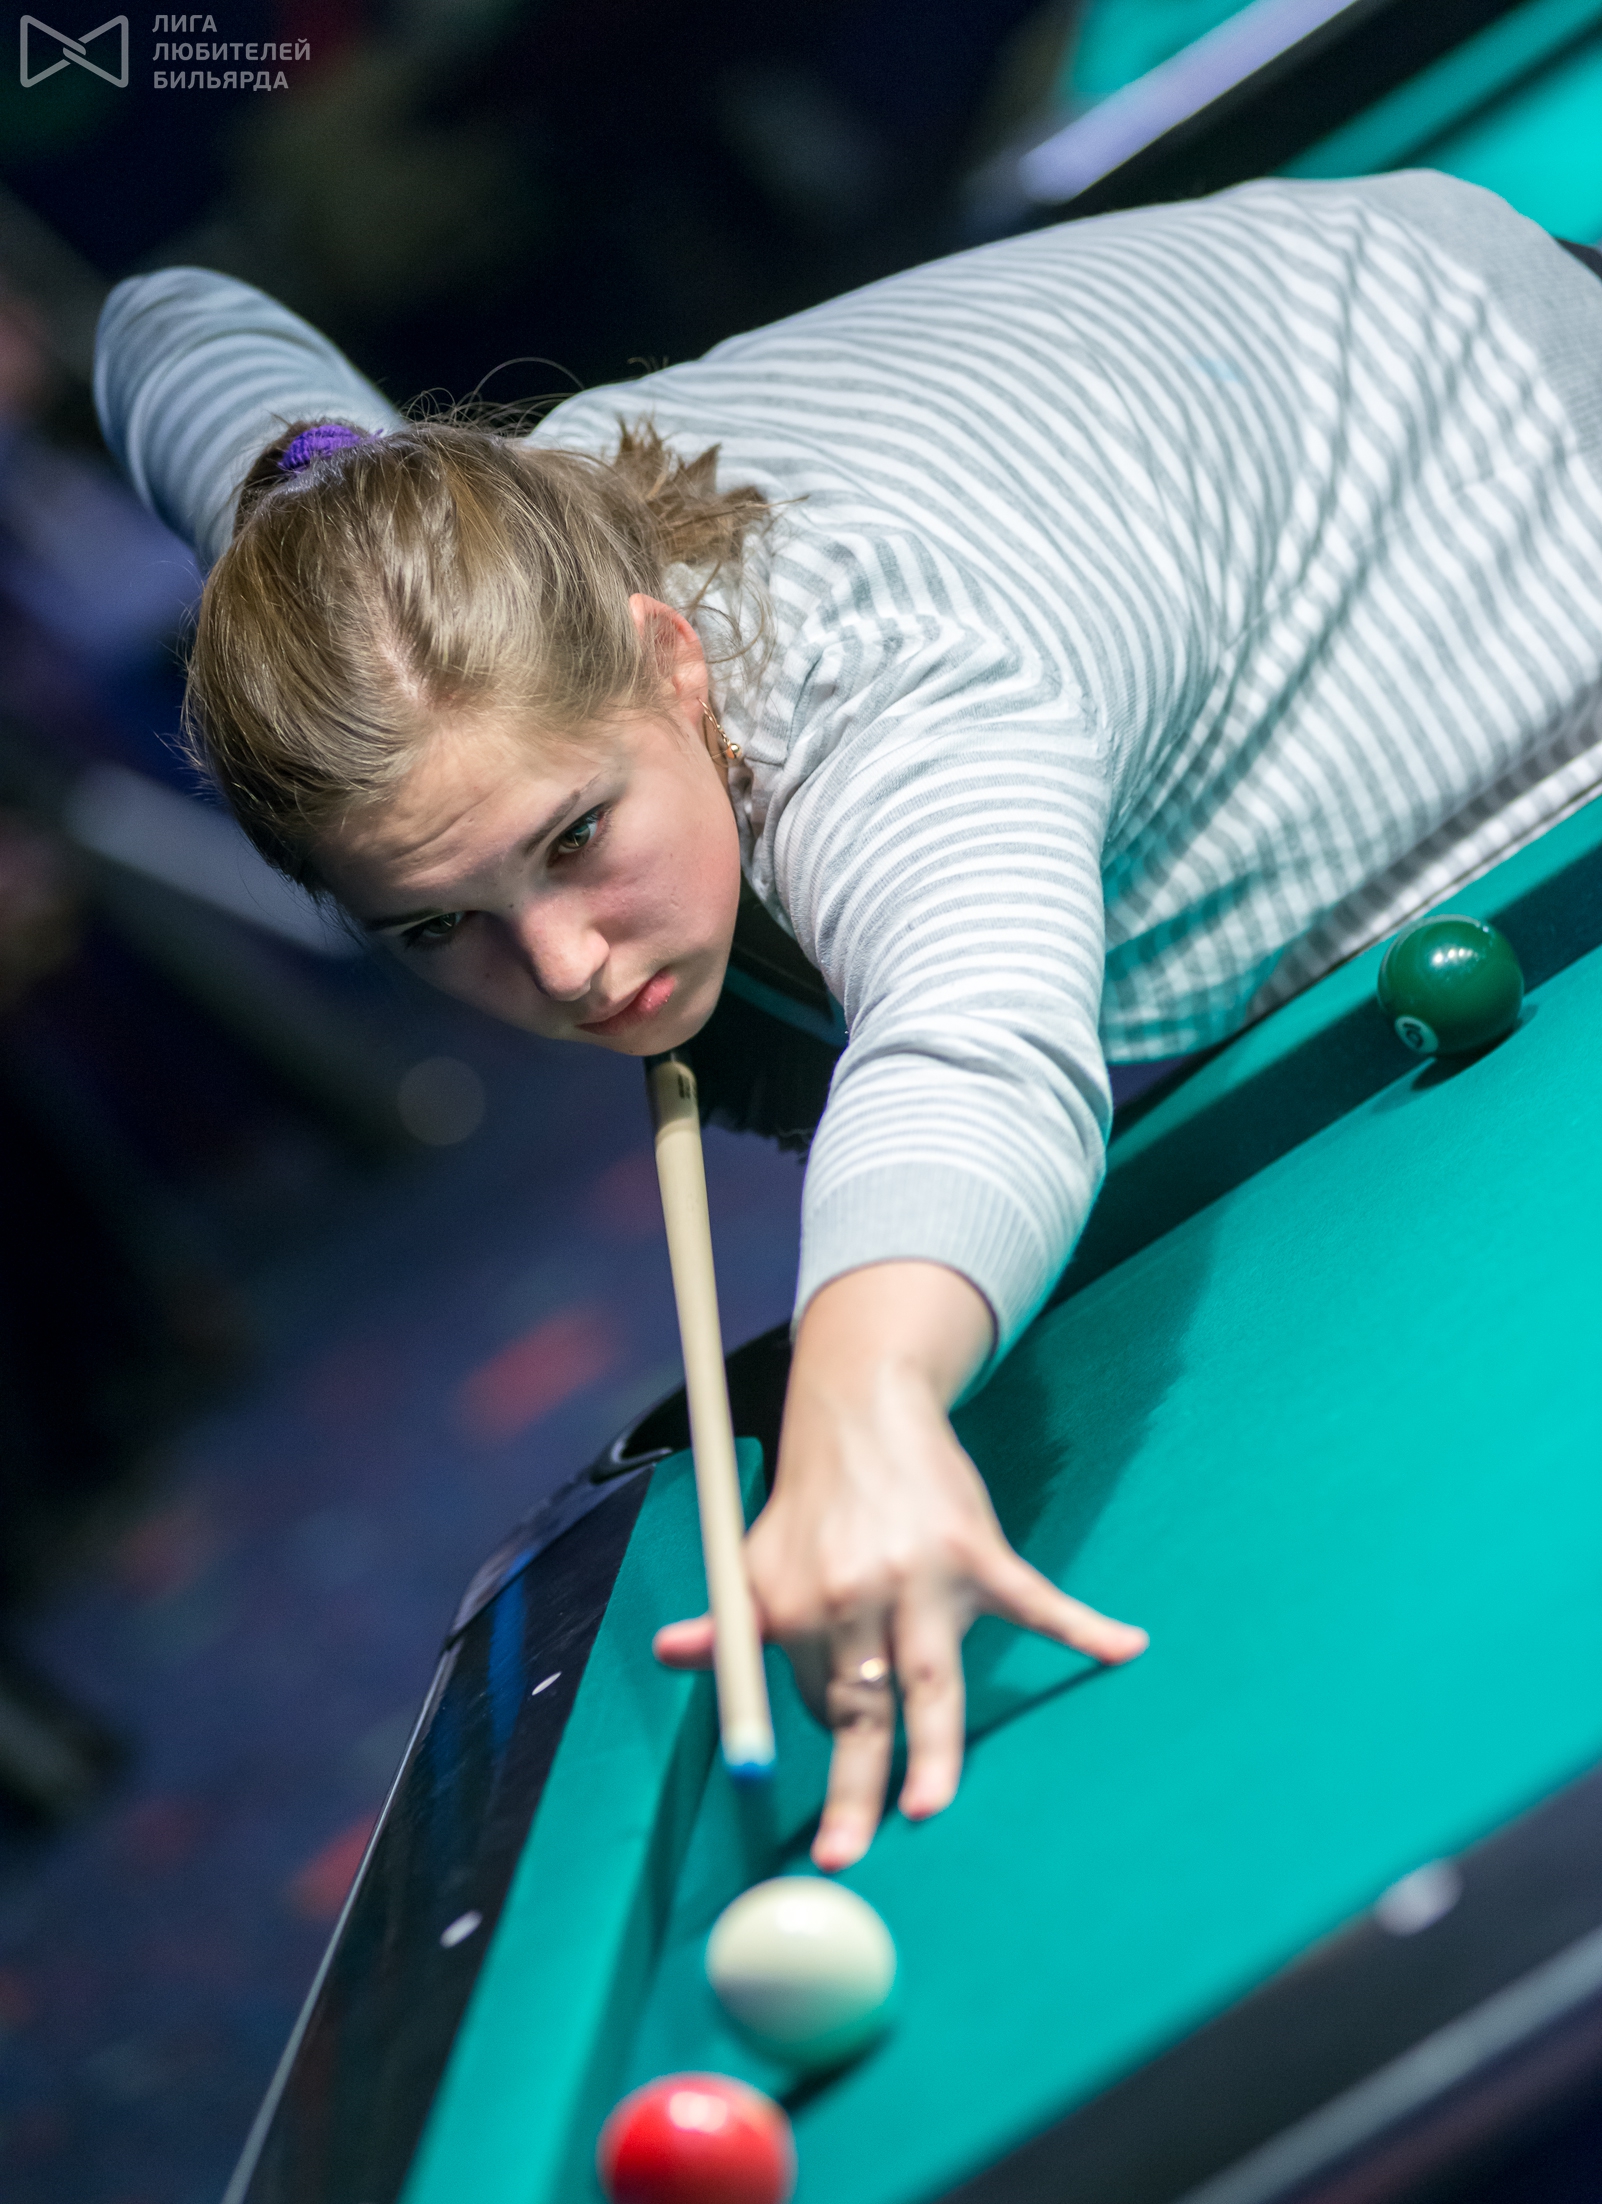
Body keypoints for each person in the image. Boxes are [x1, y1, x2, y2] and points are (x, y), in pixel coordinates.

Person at [94, 171, 1602, 1869]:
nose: (567, 968)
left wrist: (862, 1401)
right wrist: (316, 494)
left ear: (671, 662)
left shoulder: (880, 677)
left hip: (1520, 492)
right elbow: (167, 326)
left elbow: (972, 1043)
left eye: (574, 837)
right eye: (437, 926)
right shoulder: (397, 567)